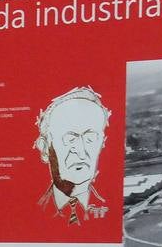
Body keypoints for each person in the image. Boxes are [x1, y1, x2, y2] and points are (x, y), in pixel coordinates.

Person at [34, 85, 111, 225]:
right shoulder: (32, 208)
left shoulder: (110, 203)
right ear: (45, 149)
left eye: (90, 138)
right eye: (70, 139)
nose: (81, 152)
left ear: (102, 144)